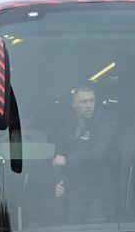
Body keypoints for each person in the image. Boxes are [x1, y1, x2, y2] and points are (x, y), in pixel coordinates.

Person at [50, 84, 117, 222]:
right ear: (74, 104)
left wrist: (68, 160)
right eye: (83, 101)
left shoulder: (104, 126)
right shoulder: (66, 130)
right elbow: (58, 159)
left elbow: (99, 153)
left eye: (91, 100)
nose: (88, 105)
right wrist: (59, 181)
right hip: (74, 198)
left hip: (99, 198)